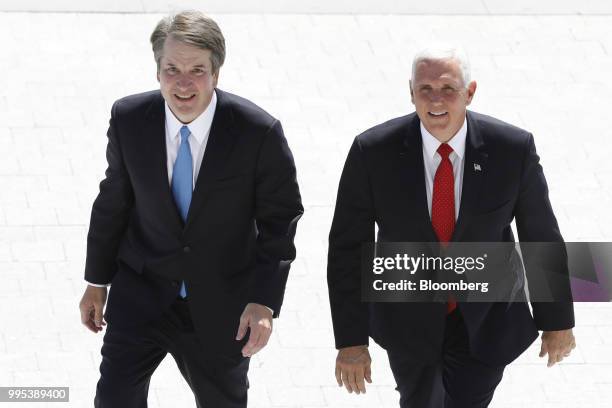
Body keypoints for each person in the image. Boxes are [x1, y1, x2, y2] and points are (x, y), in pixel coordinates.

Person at [327, 45, 576, 407]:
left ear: (470, 92)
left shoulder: (512, 150)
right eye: (425, 89)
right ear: (410, 92)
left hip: (485, 317)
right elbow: (348, 248)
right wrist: (351, 341)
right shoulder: (373, 152)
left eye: (448, 89)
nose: (436, 100)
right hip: (407, 316)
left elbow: (541, 235)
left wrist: (557, 321)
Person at [78, 10, 303, 408]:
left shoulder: (258, 133)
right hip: (141, 292)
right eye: (172, 69)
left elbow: (279, 221)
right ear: (157, 71)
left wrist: (263, 301)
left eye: (197, 70)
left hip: (220, 305)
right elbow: (113, 202)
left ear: (216, 73)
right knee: (113, 398)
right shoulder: (129, 119)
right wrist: (97, 281)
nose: (183, 83)